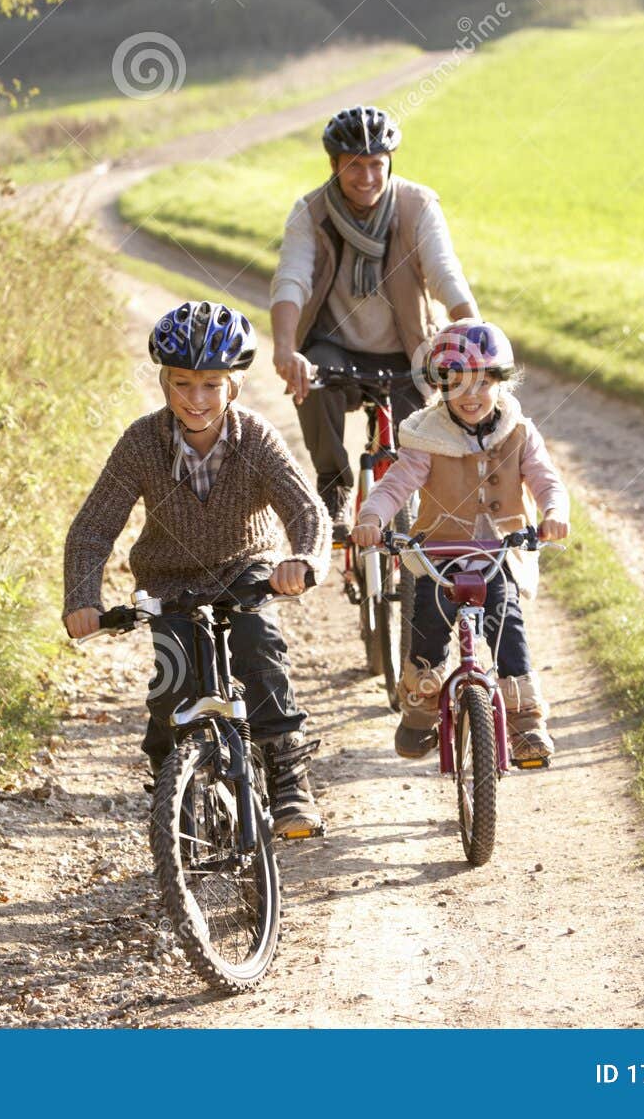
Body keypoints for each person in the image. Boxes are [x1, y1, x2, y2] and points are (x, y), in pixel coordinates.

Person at [63, 301, 330, 836]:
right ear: (165, 383)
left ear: (234, 385)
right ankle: (172, 790)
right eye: (183, 384)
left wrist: (302, 559)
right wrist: (82, 598)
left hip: (245, 568)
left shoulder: (254, 437)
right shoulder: (142, 442)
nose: (196, 399)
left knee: (259, 647)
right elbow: (94, 526)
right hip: (169, 580)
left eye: (212, 384)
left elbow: (305, 507)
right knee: (171, 685)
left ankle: (286, 781)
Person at [349, 319, 570, 764]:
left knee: (506, 625)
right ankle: (420, 712)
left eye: (483, 382)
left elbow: (546, 480)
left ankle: (525, 723)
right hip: (439, 552)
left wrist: (554, 513)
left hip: (498, 552)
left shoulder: (518, 432)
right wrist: (372, 515)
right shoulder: (427, 436)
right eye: (457, 384)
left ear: (501, 382)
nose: (471, 395)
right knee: (429, 627)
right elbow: (396, 485)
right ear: (440, 387)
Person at [269, 104, 481, 539]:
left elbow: (443, 271)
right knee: (312, 379)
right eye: (353, 166)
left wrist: (471, 329)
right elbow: (292, 279)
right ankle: (333, 489)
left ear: (390, 164)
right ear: (333, 165)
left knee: (417, 442)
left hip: (408, 347)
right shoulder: (310, 212)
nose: (366, 177)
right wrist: (285, 348)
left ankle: (415, 526)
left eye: (375, 165)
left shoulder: (416, 205)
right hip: (336, 346)